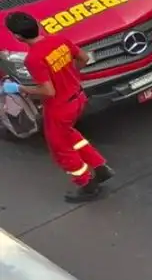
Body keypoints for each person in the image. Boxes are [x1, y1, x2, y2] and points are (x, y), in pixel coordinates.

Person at [2, 11, 112, 202]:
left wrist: (18, 87)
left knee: (61, 149)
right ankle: (99, 166)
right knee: (70, 135)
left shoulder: (34, 59)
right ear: (38, 23)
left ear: (17, 37)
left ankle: (86, 184)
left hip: (59, 107)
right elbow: (84, 58)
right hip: (78, 96)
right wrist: (69, 75)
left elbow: (48, 91)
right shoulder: (60, 40)